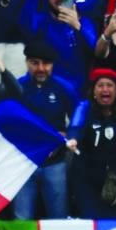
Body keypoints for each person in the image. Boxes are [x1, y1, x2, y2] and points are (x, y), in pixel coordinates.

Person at [67, 68, 116, 218]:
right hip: (87, 181)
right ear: (93, 91)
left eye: (109, 85)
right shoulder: (85, 107)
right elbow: (76, 126)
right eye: (100, 85)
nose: (105, 89)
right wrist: (73, 139)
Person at [13, 41, 75, 220]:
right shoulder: (17, 87)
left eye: (45, 63)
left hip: (55, 164)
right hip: (24, 164)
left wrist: (69, 136)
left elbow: (79, 117)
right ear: (26, 63)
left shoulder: (63, 88)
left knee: (58, 218)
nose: (40, 68)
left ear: (53, 65)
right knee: (22, 218)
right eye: (34, 63)